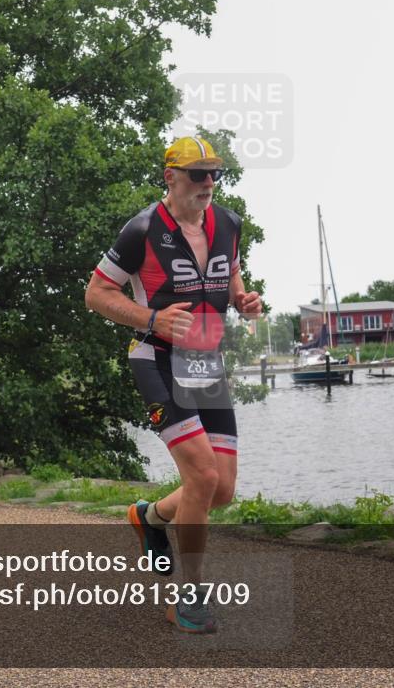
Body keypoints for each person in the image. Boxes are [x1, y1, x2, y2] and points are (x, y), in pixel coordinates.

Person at [84, 136, 262, 634]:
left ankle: (150, 517)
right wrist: (151, 318)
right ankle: (188, 596)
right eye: (197, 174)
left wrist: (245, 299)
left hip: (205, 365)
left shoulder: (228, 223)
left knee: (220, 491)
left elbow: (233, 276)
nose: (208, 183)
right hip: (157, 360)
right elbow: (96, 293)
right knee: (202, 479)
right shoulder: (141, 230)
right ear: (170, 177)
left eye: (215, 174)